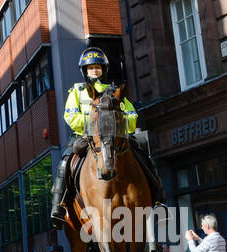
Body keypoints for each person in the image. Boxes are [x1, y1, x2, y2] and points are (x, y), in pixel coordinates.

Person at [50, 48, 164, 222]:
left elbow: (131, 113)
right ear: (84, 71)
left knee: (142, 152)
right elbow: (70, 115)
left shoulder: (114, 91)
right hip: (86, 136)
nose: (94, 70)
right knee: (65, 162)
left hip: (116, 135)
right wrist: (95, 125)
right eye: (90, 67)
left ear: (104, 69)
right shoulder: (77, 91)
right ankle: (58, 206)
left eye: (98, 67)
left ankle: (158, 199)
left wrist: (121, 123)